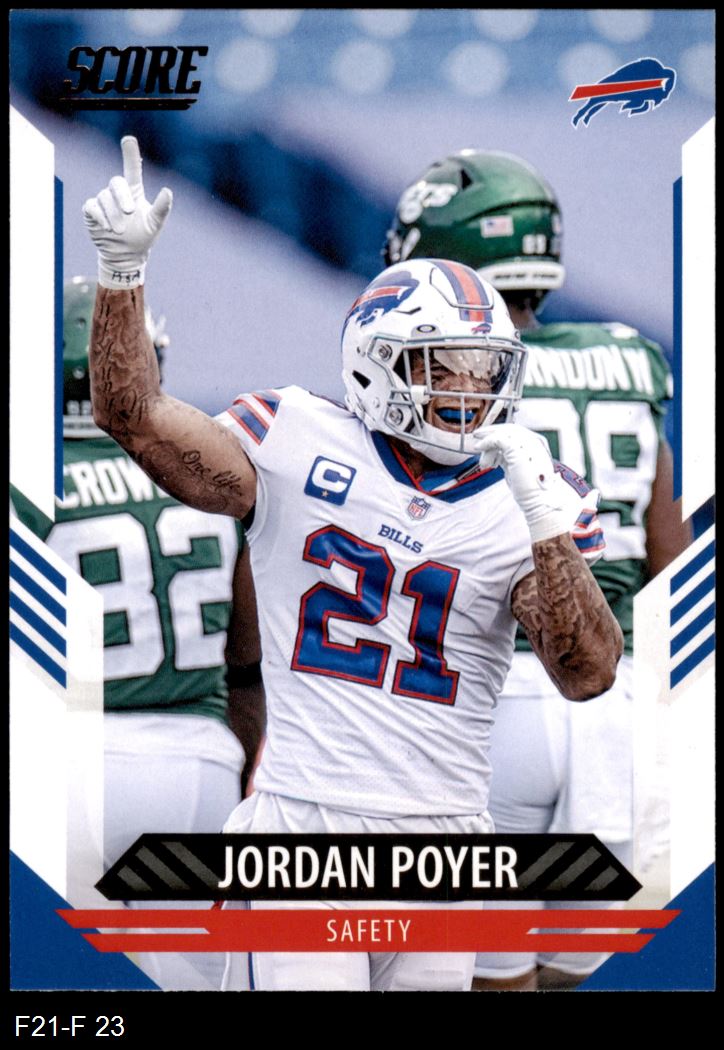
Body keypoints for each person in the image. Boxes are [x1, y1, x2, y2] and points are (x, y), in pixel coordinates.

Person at [80, 136, 622, 992]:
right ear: (378, 362)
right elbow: (134, 415)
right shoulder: (294, 439)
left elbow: (586, 673)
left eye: (486, 369)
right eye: (446, 366)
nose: (470, 390)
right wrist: (121, 275)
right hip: (308, 830)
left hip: (447, 847)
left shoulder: (530, 494)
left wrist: (548, 528)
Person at [384, 149, 690, 990]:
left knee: (489, 979)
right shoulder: (632, 359)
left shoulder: (439, 375)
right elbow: (670, 561)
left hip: (491, 706)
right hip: (618, 709)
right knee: (576, 976)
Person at [12, 275, 265, 992]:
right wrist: (233, 771)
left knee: (58, 994)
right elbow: (246, 665)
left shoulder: (27, 481)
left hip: (66, 765)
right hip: (196, 765)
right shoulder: (208, 472)